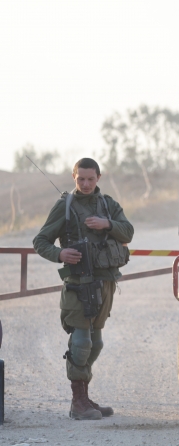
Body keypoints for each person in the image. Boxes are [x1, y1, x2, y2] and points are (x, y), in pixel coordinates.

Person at [33, 158, 134, 420]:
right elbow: (40, 240)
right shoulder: (64, 206)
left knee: (96, 343)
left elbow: (128, 232)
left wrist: (107, 224)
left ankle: (84, 396)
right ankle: (77, 402)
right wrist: (59, 253)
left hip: (105, 282)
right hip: (78, 283)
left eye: (91, 179)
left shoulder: (108, 205)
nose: (86, 184)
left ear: (99, 177)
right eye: (81, 179)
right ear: (74, 177)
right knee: (81, 342)